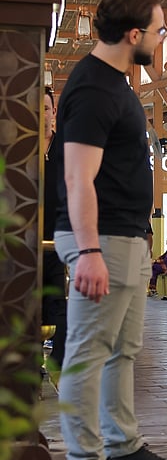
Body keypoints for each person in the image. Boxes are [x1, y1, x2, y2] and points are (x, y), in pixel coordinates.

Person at [51, 0, 167, 460]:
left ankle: (122, 445)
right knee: (88, 350)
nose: (162, 38)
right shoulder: (92, 87)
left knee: (122, 350)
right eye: (159, 31)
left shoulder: (117, 82)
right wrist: (87, 252)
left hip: (122, 236)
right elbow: (77, 177)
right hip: (99, 239)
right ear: (134, 35)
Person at [41, 85, 68, 371]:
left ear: (54, 112)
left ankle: (59, 367)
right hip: (21, 245)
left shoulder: (67, 149)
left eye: (45, 109)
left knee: (57, 305)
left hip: (59, 242)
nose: (40, 115)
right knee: (26, 308)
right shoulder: (18, 152)